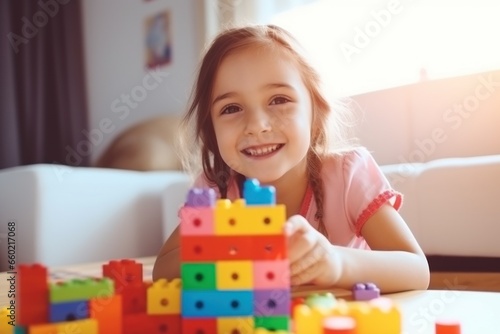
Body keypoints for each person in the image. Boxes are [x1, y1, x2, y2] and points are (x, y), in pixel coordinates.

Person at [153, 24, 430, 293]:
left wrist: (336, 263)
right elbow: (162, 270)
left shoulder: (347, 174)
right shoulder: (216, 191)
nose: (257, 124)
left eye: (278, 100)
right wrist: (224, 247)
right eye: (232, 108)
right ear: (210, 130)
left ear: (315, 114)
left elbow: (417, 270)